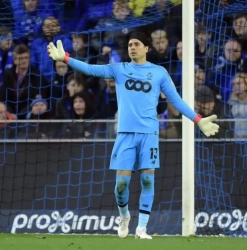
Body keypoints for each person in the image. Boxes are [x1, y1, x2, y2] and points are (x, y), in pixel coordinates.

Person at [47, 32, 219, 239]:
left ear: (146, 48)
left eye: (136, 44)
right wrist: (66, 58)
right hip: (125, 135)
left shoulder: (159, 73)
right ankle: (124, 216)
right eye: (130, 44)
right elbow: (91, 69)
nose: (132, 47)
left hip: (149, 135)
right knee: (121, 185)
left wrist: (198, 119)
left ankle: (142, 228)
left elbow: (177, 100)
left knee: (147, 181)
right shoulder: (120, 69)